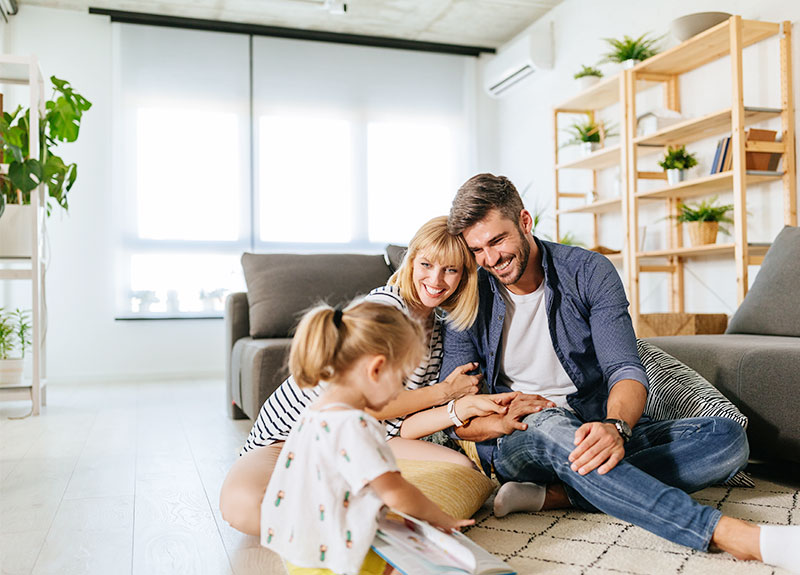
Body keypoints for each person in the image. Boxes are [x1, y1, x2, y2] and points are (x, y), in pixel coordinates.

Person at [440, 173, 799, 572]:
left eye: (497, 241)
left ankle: (557, 496)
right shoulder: (469, 293)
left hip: (595, 424)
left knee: (727, 439)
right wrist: (501, 420)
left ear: (525, 221)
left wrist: (615, 426)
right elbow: (457, 417)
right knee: (554, 426)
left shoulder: (588, 271)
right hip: (522, 436)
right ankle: (733, 535)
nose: (489, 260)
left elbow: (624, 368)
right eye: (477, 250)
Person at [220, 216, 512, 536]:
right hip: (289, 440)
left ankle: (358, 514)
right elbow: (371, 405)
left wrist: (459, 409)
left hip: (363, 438)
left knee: (462, 471)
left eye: (451, 269)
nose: (436, 278)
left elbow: (401, 426)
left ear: (464, 277)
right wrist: (445, 392)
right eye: (427, 264)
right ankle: (350, 518)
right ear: (412, 261)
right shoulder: (384, 308)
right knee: (247, 507)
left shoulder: (439, 335)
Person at [263, 300, 475, 575]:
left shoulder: (314, 413)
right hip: (337, 555)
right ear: (376, 369)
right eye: (401, 380)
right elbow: (396, 492)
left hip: (300, 550)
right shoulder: (355, 424)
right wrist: (440, 517)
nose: (400, 392)